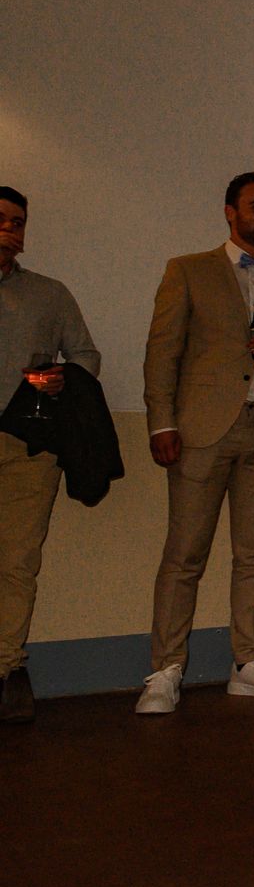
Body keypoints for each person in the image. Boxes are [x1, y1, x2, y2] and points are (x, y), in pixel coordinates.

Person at [136, 173, 254, 714]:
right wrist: (161, 423)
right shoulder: (187, 270)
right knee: (185, 553)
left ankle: (249, 661)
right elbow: (161, 352)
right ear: (229, 212)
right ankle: (165, 670)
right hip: (202, 430)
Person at [0, 187, 103, 724]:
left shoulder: (48, 293)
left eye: (18, 223)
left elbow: (85, 352)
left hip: (28, 444)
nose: (10, 231)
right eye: (1, 220)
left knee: (18, 561)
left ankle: (6, 668)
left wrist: (63, 379)